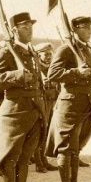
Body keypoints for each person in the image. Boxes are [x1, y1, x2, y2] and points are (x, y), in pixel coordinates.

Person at [0, 12, 45, 182]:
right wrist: (17, 75)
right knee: (10, 158)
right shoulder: (6, 53)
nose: (29, 30)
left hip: (33, 112)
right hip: (14, 113)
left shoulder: (32, 53)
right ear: (14, 30)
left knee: (25, 157)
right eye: (24, 26)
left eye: (30, 26)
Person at [46, 16, 91, 182]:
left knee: (75, 149)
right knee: (66, 148)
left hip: (85, 104)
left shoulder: (84, 49)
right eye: (86, 27)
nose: (90, 30)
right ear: (75, 29)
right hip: (69, 105)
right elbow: (53, 74)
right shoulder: (66, 49)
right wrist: (76, 72)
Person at [30, 42, 59, 173]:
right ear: (39, 55)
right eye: (46, 54)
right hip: (40, 103)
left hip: (51, 103)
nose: (48, 57)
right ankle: (38, 162)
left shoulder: (50, 68)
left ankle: (44, 160)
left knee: (46, 133)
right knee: (39, 132)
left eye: (50, 54)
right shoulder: (35, 68)